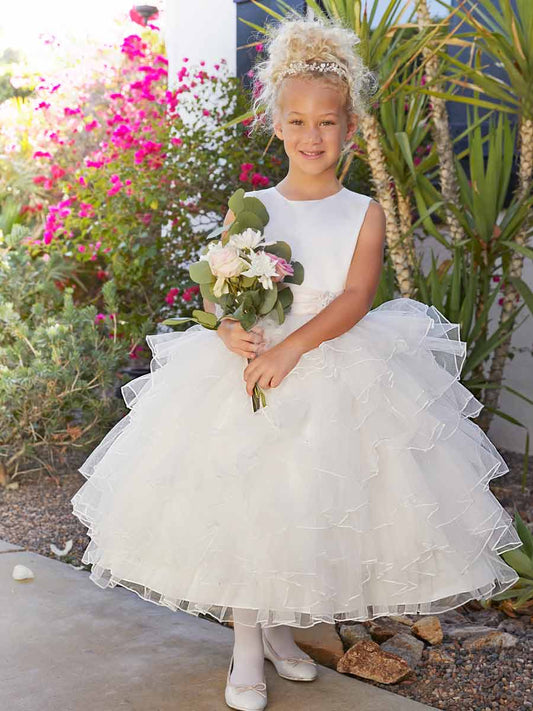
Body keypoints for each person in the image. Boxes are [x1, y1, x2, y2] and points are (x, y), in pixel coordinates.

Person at [71, 12, 522, 711]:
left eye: (328, 123)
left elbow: (354, 297)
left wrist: (291, 347)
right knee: (249, 505)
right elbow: (224, 292)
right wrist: (229, 332)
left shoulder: (361, 212)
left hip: (330, 364)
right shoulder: (250, 207)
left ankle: (282, 637)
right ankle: (247, 650)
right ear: (276, 125)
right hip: (249, 373)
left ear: (348, 127)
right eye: (299, 121)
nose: (313, 136)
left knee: (303, 510)